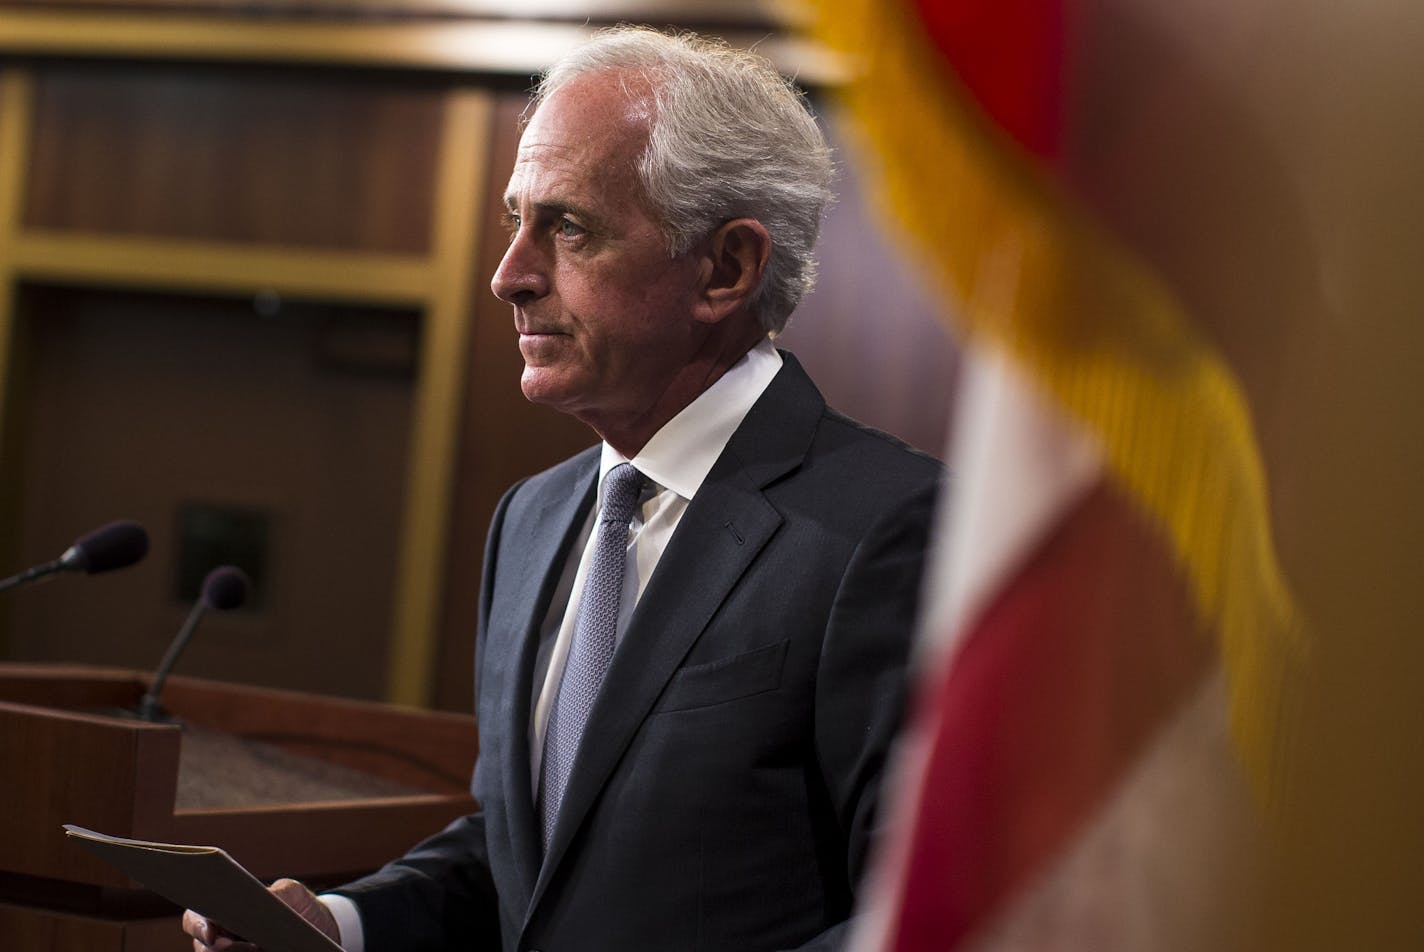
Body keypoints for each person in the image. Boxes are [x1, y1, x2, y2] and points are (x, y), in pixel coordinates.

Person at [185, 24, 942, 952]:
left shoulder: (887, 529)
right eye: (517, 220)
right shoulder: (533, 520)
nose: (509, 276)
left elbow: (919, 917)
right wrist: (342, 924)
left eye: (568, 227)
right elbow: (531, 864)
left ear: (725, 268)